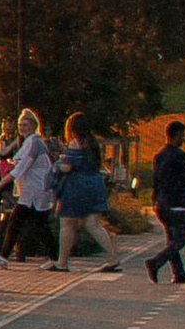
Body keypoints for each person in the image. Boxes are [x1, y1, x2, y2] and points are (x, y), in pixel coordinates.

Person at [57, 113, 118, 270]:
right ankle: (113, 257)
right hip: (95, 184)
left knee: (67, 223)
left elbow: (67, 167)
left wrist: (58, 163)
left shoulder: (75, 143)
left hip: (76, 187)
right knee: (94, 224)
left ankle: (62, 262)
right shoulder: (93, 144)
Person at [8, 109, 58, 261]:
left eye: (25, 124)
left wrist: (4, 181)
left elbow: (23, 165)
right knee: (37, 225)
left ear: (34, 125)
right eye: (20, 125)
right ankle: (56, 257)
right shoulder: (29, 141)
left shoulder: (34, 142)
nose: (22, 128)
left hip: (36, 190)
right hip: (32, 191)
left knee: (19, 222)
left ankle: (5, 255)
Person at [150, 122, 185, 286]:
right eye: (182, 135)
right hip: (176, 202)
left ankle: (178, 272)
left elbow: (155, 180)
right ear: (176, 135)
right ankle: (155, 262)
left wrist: (154, 199)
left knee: (171, 239)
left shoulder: (159, 155)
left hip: (161, 203)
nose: (183, 139)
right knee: (181, 239)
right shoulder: (179, 156)